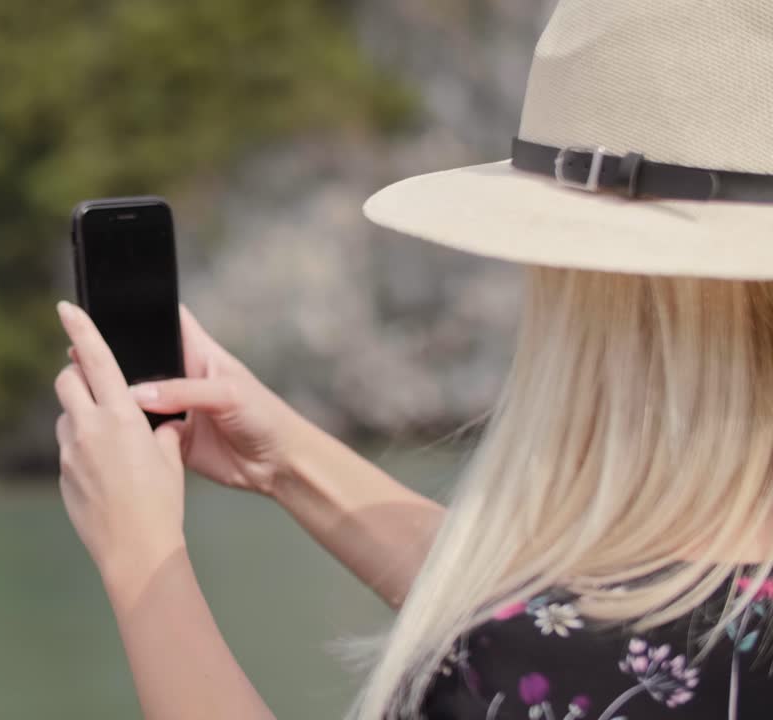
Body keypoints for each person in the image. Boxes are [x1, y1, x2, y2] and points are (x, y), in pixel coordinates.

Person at [51, 0, 773, 717]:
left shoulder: (514, 668)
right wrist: (286, 462)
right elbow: (620, 635)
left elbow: (566, 647)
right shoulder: (565, 651)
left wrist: (142, 557)